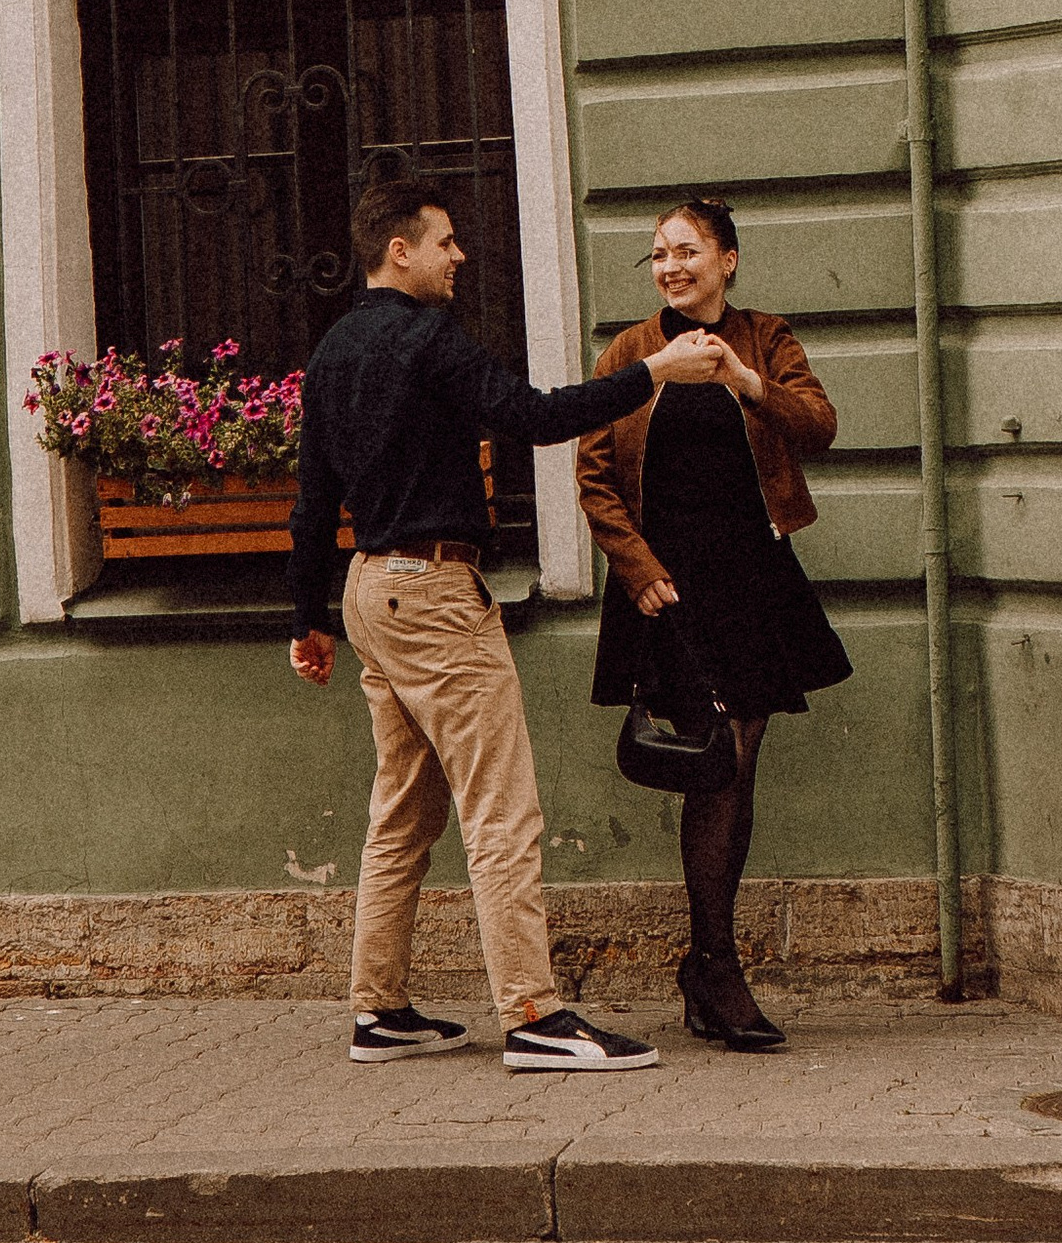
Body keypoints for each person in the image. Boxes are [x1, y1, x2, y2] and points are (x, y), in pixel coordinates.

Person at [289, 170, 731, 1072]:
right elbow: (532, 418)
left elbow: (311, 501)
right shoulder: (426, 338)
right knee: (501, 810)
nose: (460, 257)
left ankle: (379, 1011)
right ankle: (533, 1014)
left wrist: (311, 619)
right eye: (446, 241)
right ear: (400, 250)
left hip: (371, 592)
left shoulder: (333, 350)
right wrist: (656, 369)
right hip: (437, 596)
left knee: (403, 812)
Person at [579, 193, 851, 1053]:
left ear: (726, 260)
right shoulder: (630, 350)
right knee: (713, 762)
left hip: (749, 574)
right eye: (659, 255)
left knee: (738, 758)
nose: (671, 267)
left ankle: (708, 964)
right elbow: (593, 475)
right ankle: (716, 964)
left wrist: (743, 379)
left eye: (687, 251)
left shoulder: (766, 337)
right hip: (668, 583)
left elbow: (819, 428)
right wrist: (637, 567)